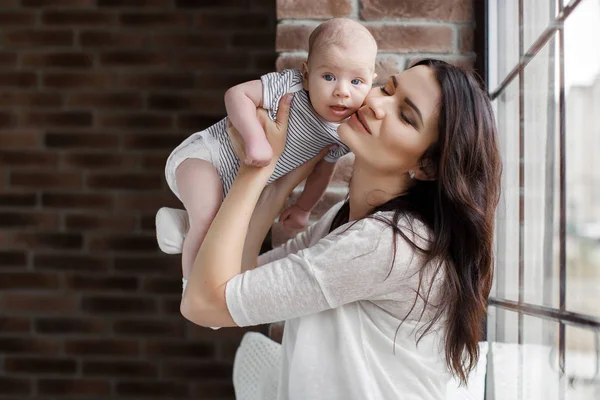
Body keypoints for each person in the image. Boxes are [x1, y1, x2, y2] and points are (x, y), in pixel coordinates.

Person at [180, 59, 502, 399]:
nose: (376, 103)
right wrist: (275, 189)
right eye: (388, 89)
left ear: (427, 165)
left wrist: (255, 169)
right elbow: (233, 284)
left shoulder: (390, 244)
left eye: (405, 116)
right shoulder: (345, 218)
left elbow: (204, 303)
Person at [156, 18, 378, 281]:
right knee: (207, 220)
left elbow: (322, 172)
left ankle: (183, 225)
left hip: (238, 188)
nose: (342, 91)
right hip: (206, 158)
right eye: (329, 76)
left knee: (231, 232)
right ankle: (192, 288)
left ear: (371, 82)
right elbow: (237, 95)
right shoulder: (290, 88)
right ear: (306, 75)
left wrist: (304, 208)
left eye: (356, 81)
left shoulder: (342, 132)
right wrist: (255, 139)